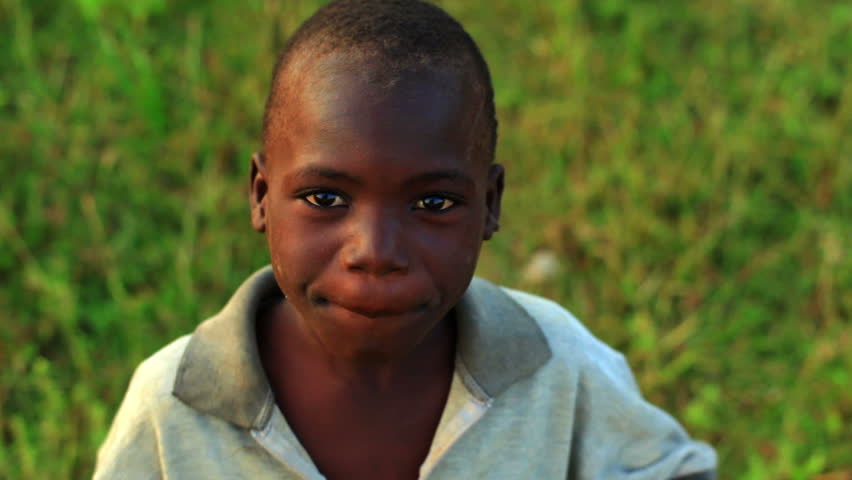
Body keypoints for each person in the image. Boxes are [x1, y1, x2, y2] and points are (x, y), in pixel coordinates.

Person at [94, 0, 718, 478]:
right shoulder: (175, 404)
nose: (376, 251)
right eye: (325, 198)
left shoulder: (557, 366)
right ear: (260, 195)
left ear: (491, 206)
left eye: (433, 203)